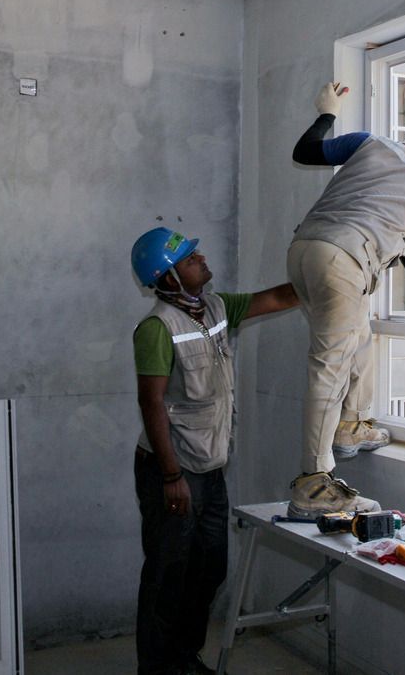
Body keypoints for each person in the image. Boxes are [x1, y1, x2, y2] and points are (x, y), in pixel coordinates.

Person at [130, 227, 299, 675]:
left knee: (208, 570)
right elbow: (151, 404)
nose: (200, 258)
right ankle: (158, 669)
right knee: (168, 574)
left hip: (209, 468)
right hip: (172, 470)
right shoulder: (156, 328)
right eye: (188, 259)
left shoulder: (219, 308)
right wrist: (171, 477)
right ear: (168, 280)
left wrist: (327, 267)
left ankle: (184, 659)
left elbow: (282, 298)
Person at [284, 81, 405, 517]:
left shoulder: (368, 143)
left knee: (359, 338)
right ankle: (313, 482)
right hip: (344, 258)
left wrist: (327, 111)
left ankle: (352, 425)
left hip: (304, 248)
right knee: (330, 366)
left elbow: (307, 151)